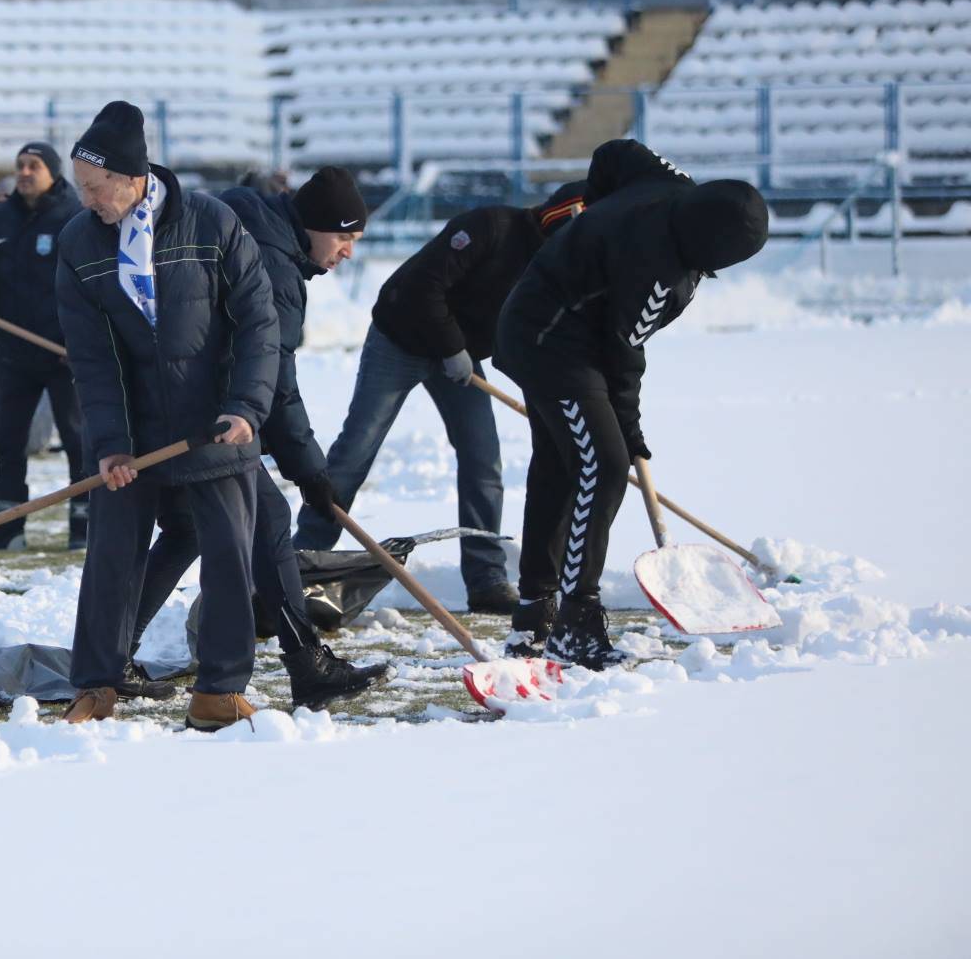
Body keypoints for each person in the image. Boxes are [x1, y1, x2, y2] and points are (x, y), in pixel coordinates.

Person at [497, 140, 768, 667]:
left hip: (552, 323)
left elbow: (613, 152)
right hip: (549, 341)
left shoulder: (670, 185)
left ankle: (536, 612)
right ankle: (576, 618)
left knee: (560, 464)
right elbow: (625, 355)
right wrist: (630, 430)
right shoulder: (659, 275)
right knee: (604, 464)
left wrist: (592, 225)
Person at [53, 100, 277, 732]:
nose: (87, 200)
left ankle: (221, 690)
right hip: (135, 430)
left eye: (95, 188)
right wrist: (111, 445)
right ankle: (96, 683)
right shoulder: (78, 244)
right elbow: (93, 361)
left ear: (132, 177)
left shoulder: (212, 222)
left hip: (215, 423)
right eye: (81, 188)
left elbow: (258, 323)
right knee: (112, 556)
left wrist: (245, 407)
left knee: (230, 555)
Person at [128, 167, 388, 708]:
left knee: (184, 528)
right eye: (344, 238)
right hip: (203, 414)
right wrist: (312, 472)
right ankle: (307, 664)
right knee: (269, 518)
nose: (346, 253)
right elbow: (277, 382)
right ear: (316, 225)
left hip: (170, 400)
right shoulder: (274, 266)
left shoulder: (250, 223)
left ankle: (111, 653)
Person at [294, 179, 589, 614]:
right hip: (400, 339)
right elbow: (422, 286)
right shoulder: (491, 226)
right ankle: (299, 564)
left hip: (461, 359)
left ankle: (486, 576)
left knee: (483, 459)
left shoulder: (554, 268)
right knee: (355, 451)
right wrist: (452, 347)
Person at [0, 141, 88, 551]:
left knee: (79, 440)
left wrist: (83, 340)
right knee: (8, 440)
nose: (24, 172)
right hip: (14, 351)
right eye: (19, 166)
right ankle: (7, 526)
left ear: (52, 172)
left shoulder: (75, 217)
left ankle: (84, 522)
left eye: (33, 166)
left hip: (66, 354)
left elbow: (93, 282)